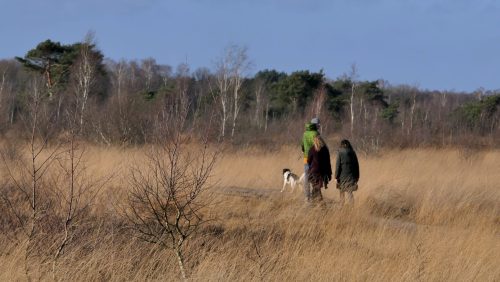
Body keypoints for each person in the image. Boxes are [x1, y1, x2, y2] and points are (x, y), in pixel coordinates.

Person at [334, 139, 360, 205]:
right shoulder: (353, 152)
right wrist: (357, 177)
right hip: (351, 176)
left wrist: (336, 177)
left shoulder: (340, 153)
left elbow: (338, 166)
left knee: (341, 192)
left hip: (341, 177)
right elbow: (356, 166)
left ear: (341, 145)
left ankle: (341, 207)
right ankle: (352, 208)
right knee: (350, 192)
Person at [307, 135, 332, 202]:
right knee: (316, 188)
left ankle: (319, 205)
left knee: (315, 188)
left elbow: (308, 161)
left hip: (314, 172)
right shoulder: (325, 149)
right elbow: (328, 163)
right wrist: (329, 174)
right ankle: (318, 205)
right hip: (323, 172)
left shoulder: (312, 149)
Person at [301, 117, 320, 201]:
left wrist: (304, 151)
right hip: (314, 159)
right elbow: (319, 147)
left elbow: (302, 145)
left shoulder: (305, 134)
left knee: (306, 175)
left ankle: (307, 196)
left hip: (306, 158)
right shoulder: (316, 133)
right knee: (315, 175)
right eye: (318, 124)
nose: (319, 126)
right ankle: (315, 194)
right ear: (316, 124)